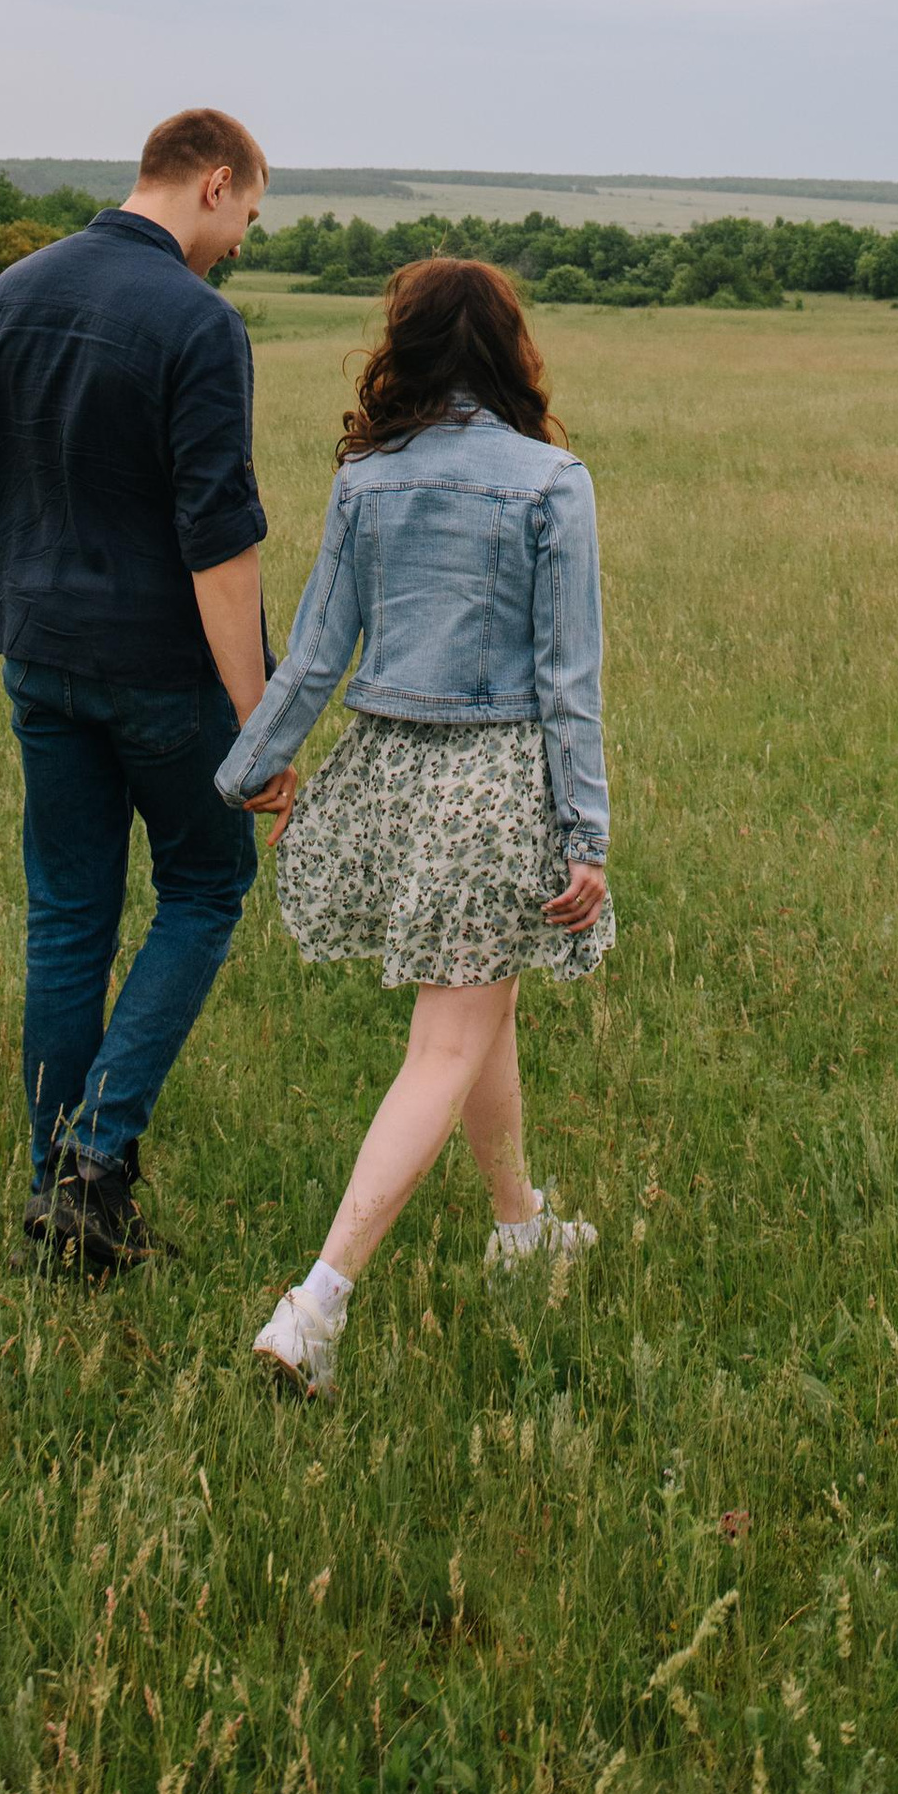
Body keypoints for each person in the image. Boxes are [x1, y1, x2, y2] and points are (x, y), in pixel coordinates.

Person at [216, 257, 613, 1396]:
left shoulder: (367, 478)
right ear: (510, 349)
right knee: (445, 1043)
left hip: (389, 781)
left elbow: (314, 651)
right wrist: (585, 833)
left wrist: (249, 769)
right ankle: (315, 1307)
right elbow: (568, 680)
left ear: (407, 348)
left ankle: (519, 1224)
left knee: (479, 1006)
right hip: (494, 791)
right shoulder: (552, 481)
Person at [0, 106, 293, 1273]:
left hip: (37, 651)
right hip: (162, 668)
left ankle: (61, 1200)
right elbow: (220, 541)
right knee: (204, 887)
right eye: (248, 215)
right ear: (213, 183)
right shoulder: (199, 321)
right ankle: (93, 1161)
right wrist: (260, 716)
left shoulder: (12, 289)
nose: (239, 241)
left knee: (67, 918)